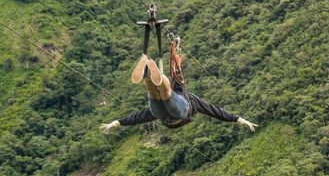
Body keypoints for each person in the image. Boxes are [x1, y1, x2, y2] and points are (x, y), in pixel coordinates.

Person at [100, 54, 258, 133]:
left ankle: (148, 76)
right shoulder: (191, 100)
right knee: (164, 94)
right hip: (177, 114)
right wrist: (238, 120)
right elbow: (214, 110)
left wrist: (117, 122)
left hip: (164, 115)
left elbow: (138, 117)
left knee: (155, 94)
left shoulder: (186, 93)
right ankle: (154, 77)